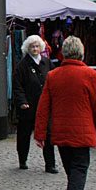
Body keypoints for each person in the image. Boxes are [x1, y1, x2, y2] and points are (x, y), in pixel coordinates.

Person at [34, 36, 96, 190]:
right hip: (82, 132)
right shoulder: (91, 75)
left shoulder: (53, 75)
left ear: (63, 53)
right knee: (79, 170)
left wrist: (40, 134)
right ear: (81, 53)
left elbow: (43, 108)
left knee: (72, 171)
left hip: (60, 132)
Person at [12, 35, 57, 172]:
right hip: (28, 106)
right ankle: (23, 160)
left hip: (44, 106)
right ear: (28, 48)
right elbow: (17, 86)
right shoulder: (22, 66)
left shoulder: (47, 63)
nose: (35, 49)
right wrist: (22, 102)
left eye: (37, 46)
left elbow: (54, 80)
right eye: (32, 46)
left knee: (48, 135)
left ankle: (50, 164)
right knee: (24, 135)